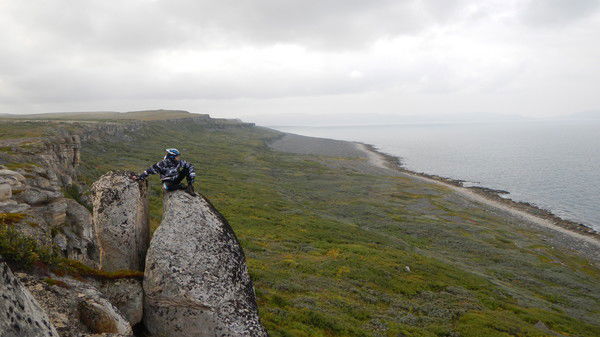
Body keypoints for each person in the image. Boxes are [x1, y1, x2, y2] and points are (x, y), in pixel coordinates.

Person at [131, 148, 197, 196]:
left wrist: (192, 177)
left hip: (176, 178)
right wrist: (139, 177)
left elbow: (189, 165)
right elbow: (149, 170)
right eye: (177, 156)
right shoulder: (162, 164)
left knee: (186, 169)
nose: (179, 158)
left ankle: (190, 187)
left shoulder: (179, 162)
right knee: (167, 187)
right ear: (172, 157)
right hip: (168, 181)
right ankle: (180, 186)